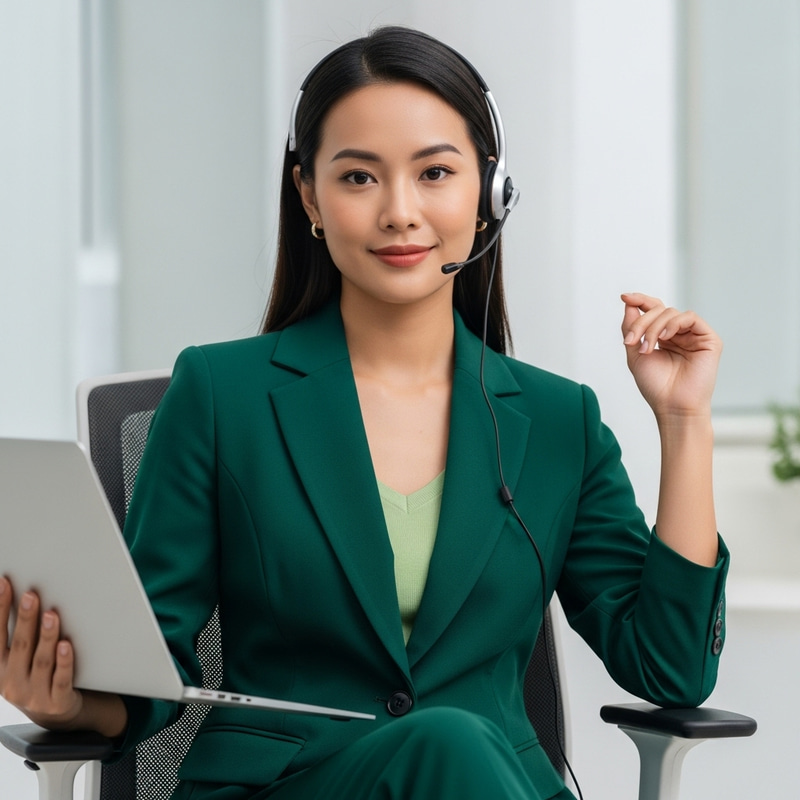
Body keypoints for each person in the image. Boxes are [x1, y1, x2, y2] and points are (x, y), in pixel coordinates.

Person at [0, 26, 727, 800]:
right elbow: (150, 665)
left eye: (436, 173)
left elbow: (669, 668)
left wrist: (684, 424)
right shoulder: (220, 393)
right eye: (358, 179)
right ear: (309, 196)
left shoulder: (558, 421)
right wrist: (72, 698)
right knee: (445, 740)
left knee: (452, 744)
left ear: (489, 195)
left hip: (480, 780)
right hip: (285, 785)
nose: (400, 212)